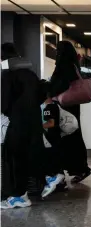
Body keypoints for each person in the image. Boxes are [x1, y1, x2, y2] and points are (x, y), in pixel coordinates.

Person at [1, 43, 45, 209]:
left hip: (18, 122)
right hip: (33, 120)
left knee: (13, 158)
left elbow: (4, 102)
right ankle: (29, 190)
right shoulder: (31, 74)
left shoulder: (8, 75)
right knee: (28, 157)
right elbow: (41, 94)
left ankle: (18, 195)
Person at [49, 41, 91, 184]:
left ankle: (76, 169)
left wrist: (49, 88)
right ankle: (79, 168)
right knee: (73, 135)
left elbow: (61, 84)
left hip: (64, 107)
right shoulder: (73, 64)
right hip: (72, 105)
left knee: (67, 137)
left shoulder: (64, 65)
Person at [40, 84, 65, 198]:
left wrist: (38, 126)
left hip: (50, 138)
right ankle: (60, 183)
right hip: (56, 138)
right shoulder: (56, 106)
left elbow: (51, 123)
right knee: (57, 158)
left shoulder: (48, 108)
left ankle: (54, 178)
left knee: (51, 159)